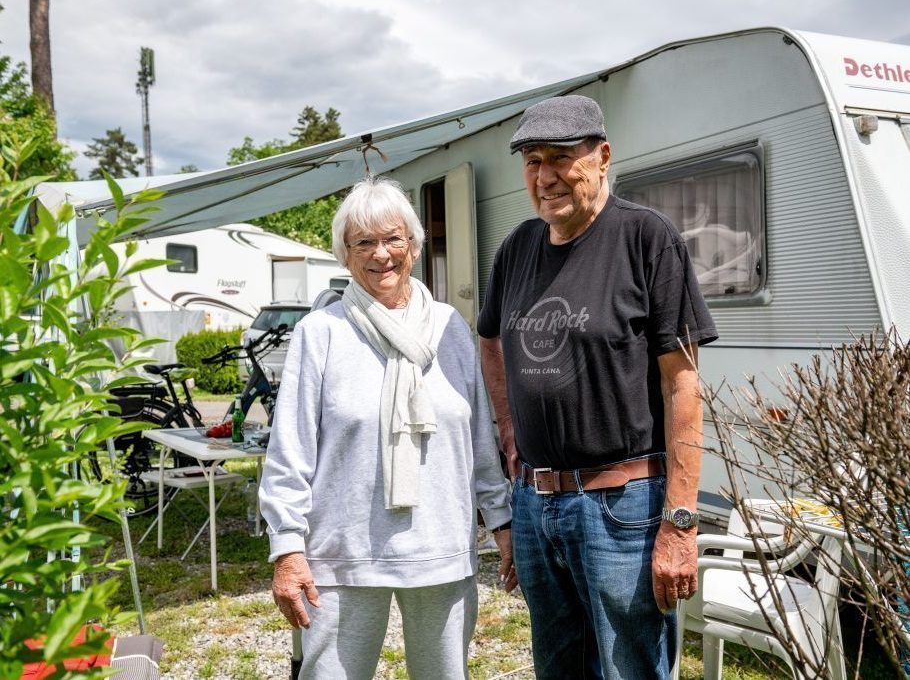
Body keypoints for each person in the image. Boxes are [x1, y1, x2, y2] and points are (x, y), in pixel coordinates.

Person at [477, 95, 718, 679]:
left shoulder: (646, 239)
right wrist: (509, 430)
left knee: (628, 668)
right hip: (536, 502)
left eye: (561, 158)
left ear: (603, 156)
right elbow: (490, 340)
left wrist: (680, 521)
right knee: (557, 666)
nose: (545, 176)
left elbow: (683, 386)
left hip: (623, 506)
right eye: (533, 161)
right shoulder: (517, 248)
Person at [259, 177, 515, 680]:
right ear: (345, 255)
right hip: (343, 553)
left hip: (441, 549)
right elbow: (290, 450)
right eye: (364, 243)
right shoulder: (321, 332)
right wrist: (287, 548)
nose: (381, 254)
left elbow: (477, 443)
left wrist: (501, 522)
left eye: (393, 238)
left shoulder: (449, 328)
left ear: (414, 246)